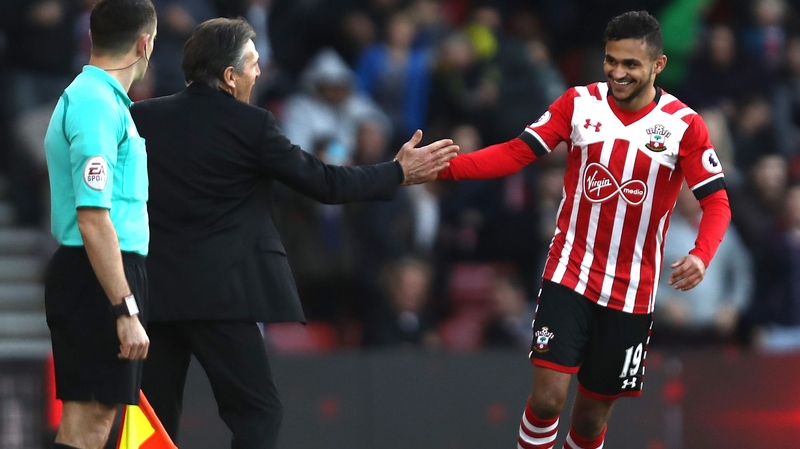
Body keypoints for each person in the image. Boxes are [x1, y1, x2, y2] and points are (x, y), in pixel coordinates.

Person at [129, 17, 458, 449]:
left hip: (158, 293)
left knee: (151, 419)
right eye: (253, 63)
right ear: (230, 77)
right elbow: (325, 184)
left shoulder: (143, 117)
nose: (260, 72)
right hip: (225, 296)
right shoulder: (252, 126)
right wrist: (397, 172)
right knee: (258, 412)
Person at [436, 11, 731, 449]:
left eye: (631, 64)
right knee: (549, 398)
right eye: (611, 61)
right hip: (570, 272)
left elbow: (717, 202)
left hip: (633, 291)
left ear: (658, 66)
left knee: (590, 420)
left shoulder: (683, 125)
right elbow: (518, 153)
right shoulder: (579, 103)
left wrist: (702, 255)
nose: (618, 72)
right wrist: (443, 169)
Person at [41, 1, 156, 448]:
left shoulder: (104, 101)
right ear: (145, 43)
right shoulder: (94, 104)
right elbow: (92, 217)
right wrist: (124, 310)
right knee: (88, 424)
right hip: (99, 277)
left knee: (97, 420)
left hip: (106, 274)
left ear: (92, 37)